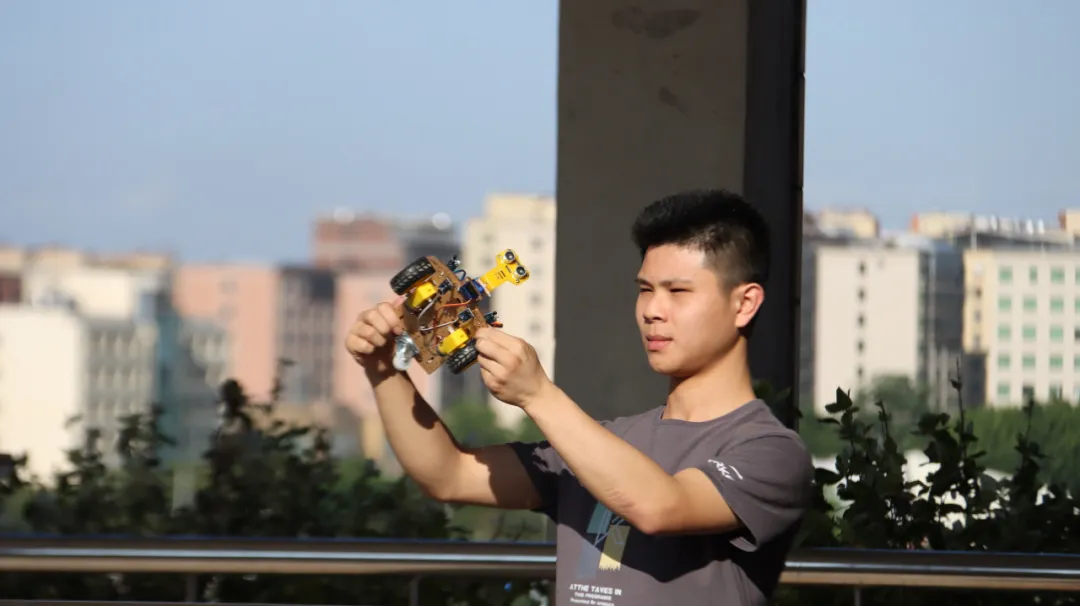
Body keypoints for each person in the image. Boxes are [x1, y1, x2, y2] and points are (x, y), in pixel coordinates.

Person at [344, 188, 814, 605]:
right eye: (645, 290)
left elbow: (660, 507)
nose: (653, 310)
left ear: (745, 303)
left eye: (678, 291)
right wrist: (382, 368)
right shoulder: (606, 441)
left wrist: (538, 395)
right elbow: (448, 475)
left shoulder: (770, 453)